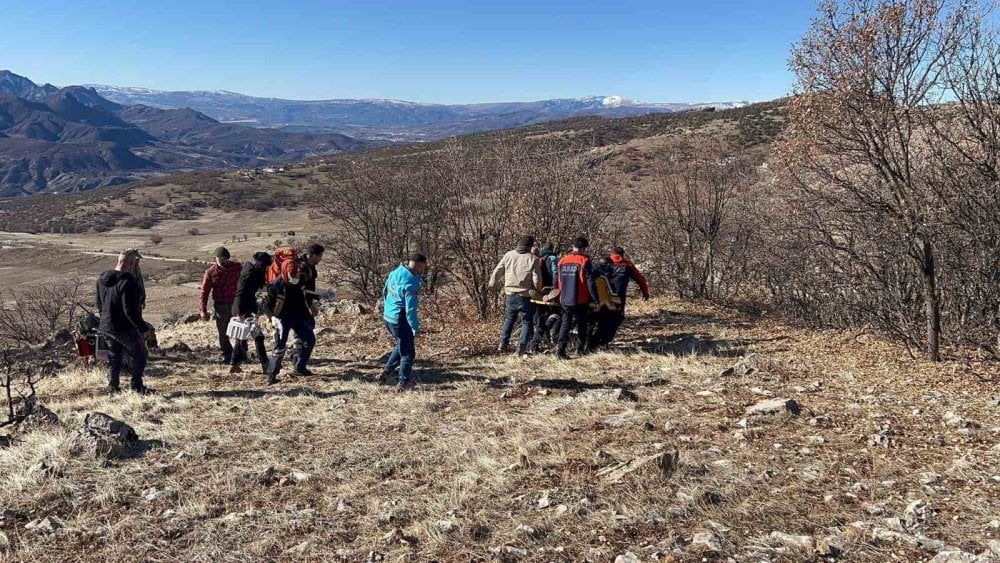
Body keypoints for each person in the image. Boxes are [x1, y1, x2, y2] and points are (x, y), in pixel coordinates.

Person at [96, 249, 152, 394]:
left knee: (114, 356)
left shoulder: (101, 279)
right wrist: (143, 328)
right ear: (132, 263)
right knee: (141, 354)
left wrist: (105, 320)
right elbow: (130, 311)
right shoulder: (128, 282)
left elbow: (99, 304)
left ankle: (113, 388)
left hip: (106, 326)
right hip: (123, 328)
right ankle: (137, 387)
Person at [379, 254, 426, 391]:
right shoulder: (412, 281)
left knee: (401, 343)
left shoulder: (396, 271)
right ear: (418, 265)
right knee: (408, 353)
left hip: (388, 316)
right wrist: (415, 327)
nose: (424, 269)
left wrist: (387, 307)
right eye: (423, 267)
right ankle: (403, 383)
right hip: (400, 318)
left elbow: (385, 291)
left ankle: (385, 373)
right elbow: (411, 310)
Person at [489, 235, 542, 355]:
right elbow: (537, 278)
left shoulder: (509, 255)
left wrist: (492, 283)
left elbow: (499, 269)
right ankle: (521, 347)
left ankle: (503, 343)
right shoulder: (532, 258)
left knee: (509, 319)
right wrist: (538, 290)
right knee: (527, 321)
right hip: (525, 295)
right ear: (530, 246)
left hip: (509, 293)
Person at [265, 260, 316, 384]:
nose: (295, 278)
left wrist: (311, 305)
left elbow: (306, 294)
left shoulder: (302, 279)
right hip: (282, 318)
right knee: (280, 346)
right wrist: (271, 317)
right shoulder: (276, 285)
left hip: (300, 316)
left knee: (310, 340)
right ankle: (271, 374)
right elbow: (267, 304)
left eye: (296, 276)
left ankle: (300, 367)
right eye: (292, 276)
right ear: (285, 273)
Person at [556, 236, 598, 360]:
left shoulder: (562, 260)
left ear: (573, 246)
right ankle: (580, 349)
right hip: (581, 298)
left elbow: (557, 279)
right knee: (582, 324)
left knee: (565, 323)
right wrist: (595, 299)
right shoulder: (584, 261)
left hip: (565, 297)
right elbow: (590, 281)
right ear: (584, 248)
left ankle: (561, 350)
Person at [199, 247, 242, 365]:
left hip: (236, 305)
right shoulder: (210, 272)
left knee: (241, 331)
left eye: (226, 259)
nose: (224, 261)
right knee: (223, 333)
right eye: (221, 259)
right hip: (221, 306)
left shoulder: (237, 267)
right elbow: (204, 292)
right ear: (215, 258)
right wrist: (203, 310)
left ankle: (240, 354)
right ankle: (228, 355)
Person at [231, 251, 272, 375]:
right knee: (258, 337)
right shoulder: (249, 273)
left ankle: (234, 364)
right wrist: (239, 313)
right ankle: (265, 364)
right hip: (243, 309)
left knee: (241, 338)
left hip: (248, 308)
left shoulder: (256, 271)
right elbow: (240, 292)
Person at [607, 246, 651, 343]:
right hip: (619, 296)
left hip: (602, 295)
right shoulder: (627, 264)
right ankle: (606, 340)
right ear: (623, 254)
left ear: (612, 254)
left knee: (603, 317)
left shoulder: (605, 262)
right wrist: (645, 293)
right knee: (618, 317)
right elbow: (640, 279)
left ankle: (594, 341)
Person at [291, 243, 325, 366]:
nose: (321, 259)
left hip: (302, 303)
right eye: (320, 256)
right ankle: (297, 360)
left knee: (305, 329)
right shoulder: (303, 268)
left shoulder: (308, 266)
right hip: (299, 304)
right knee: (305, 332)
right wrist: (311, 304)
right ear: (313, 255)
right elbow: (302, 290)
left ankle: (296, 356)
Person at [529, 243, 561, 352]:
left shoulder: (538, 259)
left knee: (540, 317)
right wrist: (556, 288)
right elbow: (555, 273)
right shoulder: (552, 258)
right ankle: (540, 339)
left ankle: (534, 344)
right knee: (556, 314)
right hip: (550, 292)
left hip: (538, 293)